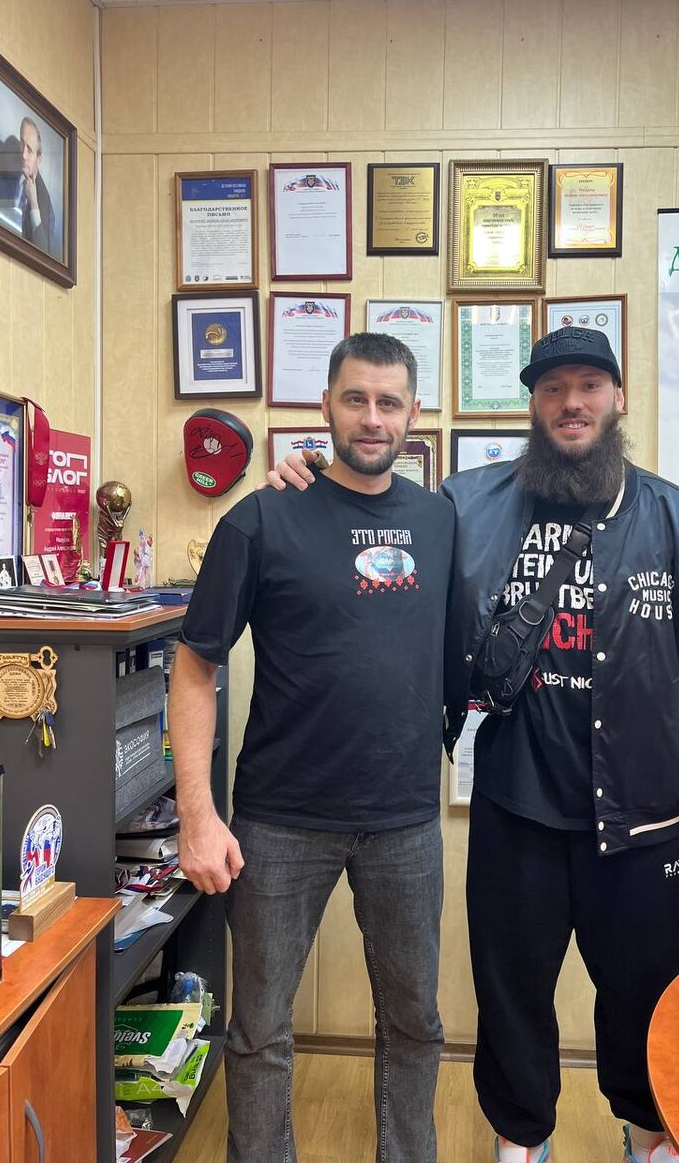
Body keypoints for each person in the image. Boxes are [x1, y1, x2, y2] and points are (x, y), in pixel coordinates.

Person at [270, 325, 679, 1163]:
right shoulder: (465, 507)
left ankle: (649, 1140)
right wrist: (310, 481)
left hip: (644, 824)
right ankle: (520, 1143)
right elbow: (375, 516)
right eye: (552, 389)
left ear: (617, 397)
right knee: (511, 1002)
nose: (572, 403)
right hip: (515, 810)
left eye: (589, 386)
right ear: (532, 404)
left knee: (646, 1003)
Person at [169, 333, 455, 1163]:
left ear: (414, 414)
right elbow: (194, 666)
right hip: (279, 822)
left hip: (405, 821)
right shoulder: (261, 518)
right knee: (259, 1028)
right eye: (356, 399)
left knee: (416, 1022)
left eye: (390, 402)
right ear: (325, 405)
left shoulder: (439, 521)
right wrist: (197, 815)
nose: (372, 418)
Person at [16, 117, 55, 254]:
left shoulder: (44, 199)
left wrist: (33, 203)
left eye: (30, 150)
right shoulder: (9, 174)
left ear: (38, 160)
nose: (23, 154)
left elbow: (43, 251)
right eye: (22, 144)